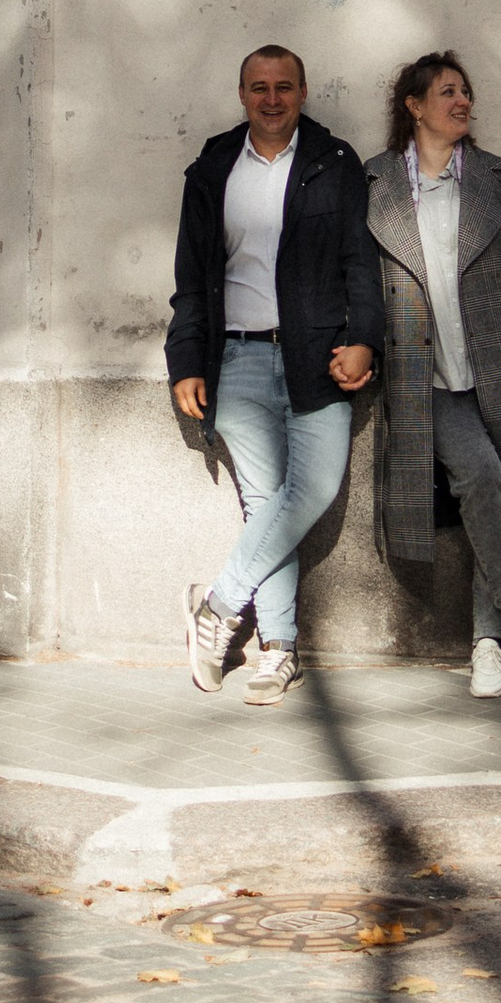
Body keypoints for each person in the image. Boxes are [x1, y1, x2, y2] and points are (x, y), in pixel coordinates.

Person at [165, 42, 382, 702]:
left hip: (316, 358)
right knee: (265, 504)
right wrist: (185, 359)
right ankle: (278, 649)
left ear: (303, 92)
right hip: (237, 358)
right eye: (259, 86)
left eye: (284, 86)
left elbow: (359, 267)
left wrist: (365, 341)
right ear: (242, 95)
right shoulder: (211, 169)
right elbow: (192, 280)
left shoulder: (333, 163)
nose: (272, 98)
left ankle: (219, 607)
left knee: (307, 491)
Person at [366, 49, 501, 696]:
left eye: (466, 93)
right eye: (448, 92)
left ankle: (487, 644)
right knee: (481, 478)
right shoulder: (375, 185)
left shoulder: (490, 176)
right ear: (415, 106)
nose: (462, 103)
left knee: (500, 491)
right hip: (428, 377)